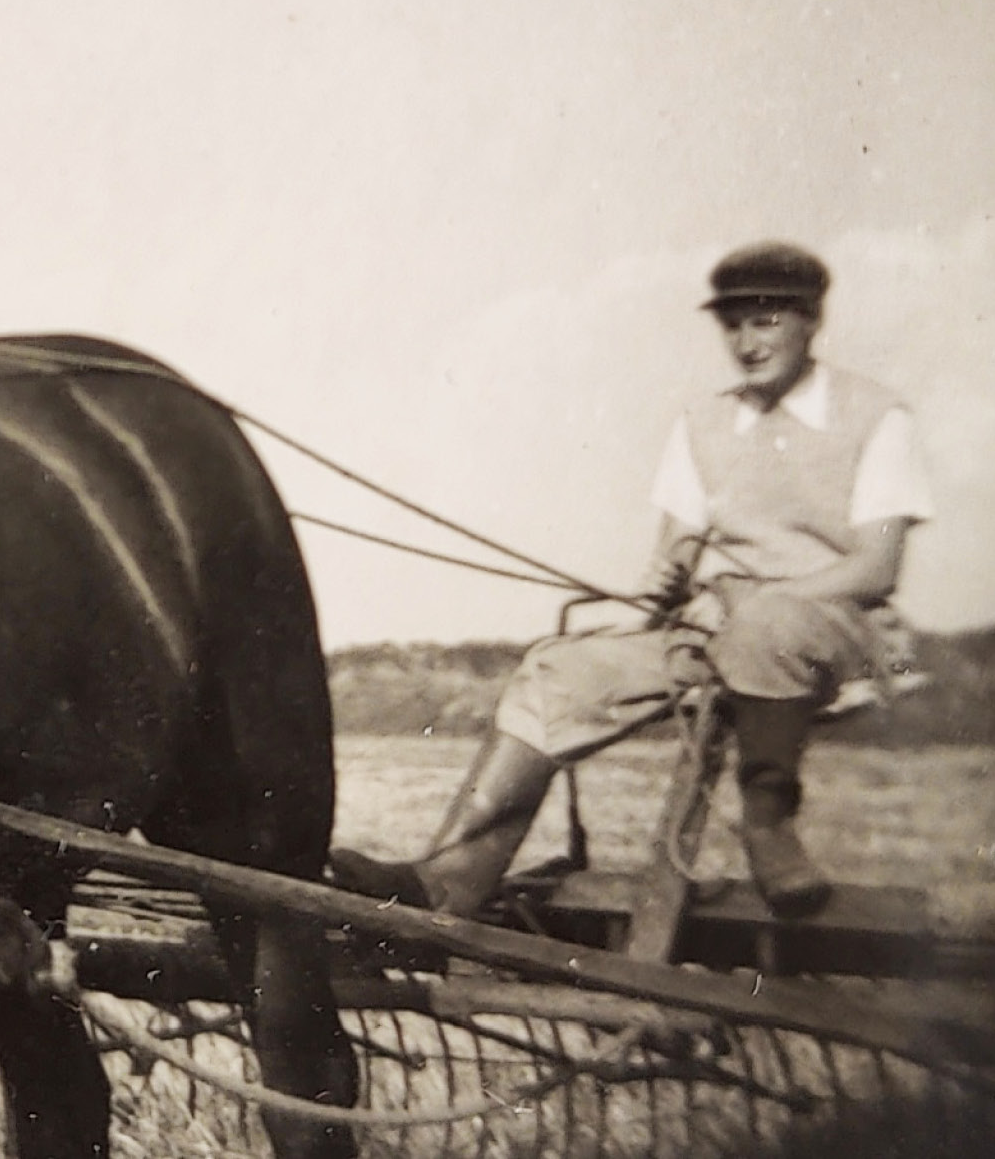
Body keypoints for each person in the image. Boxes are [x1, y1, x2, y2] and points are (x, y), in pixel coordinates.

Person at [332, 241, 933, 920]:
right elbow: (673, 556)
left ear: (810, 320)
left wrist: (760, 603)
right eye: (732, 325)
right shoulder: (704, 423)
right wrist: (656, 599)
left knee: (767, 628)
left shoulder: (877, 416)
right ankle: (453, 877)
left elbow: (875, 566)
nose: (746, 342)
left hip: (833, 627)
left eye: (764, 321)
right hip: (719, 629)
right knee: (555, 670)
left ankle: (769, 827)